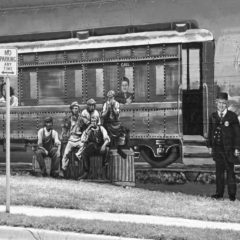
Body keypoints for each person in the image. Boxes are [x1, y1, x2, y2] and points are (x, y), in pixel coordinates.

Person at [208, 92, 240, 201]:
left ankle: (232, 195)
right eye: (219, 103)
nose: (221, 105)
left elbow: (237, 134)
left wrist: (237, 148)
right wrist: (210, 146)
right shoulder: (213, 116)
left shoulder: (232, 116)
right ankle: (219, 193)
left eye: (223, 103)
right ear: (216, 103)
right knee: (219, 172)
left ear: (226, 104)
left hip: (229, 149)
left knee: (230, 172)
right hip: (217, 149)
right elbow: (210, 132)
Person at [76, 115, 110, 180]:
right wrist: (87, 129)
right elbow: (82, 139)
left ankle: (104, 173)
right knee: (86, 152)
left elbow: (107, 139)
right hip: (91, 149)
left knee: (107, 150)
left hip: (100, 148)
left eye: (94, 121)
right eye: (92, 121)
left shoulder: (101, 128)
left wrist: (103, 146)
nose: (93, 123)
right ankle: (86, 172)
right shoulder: (89, 130)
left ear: (97, 122)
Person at [60, 101, 83, 175]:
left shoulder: (81, 118)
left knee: (84, 149)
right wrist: (63, 135)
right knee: (65, 154)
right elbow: (64, 128)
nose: (76, 110)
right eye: (74, 108)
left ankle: (81, 171)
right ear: (71, 109)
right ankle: (64, 169)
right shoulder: (68, 118)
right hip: (71, 139)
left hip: (79, 138)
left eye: (77, 108)